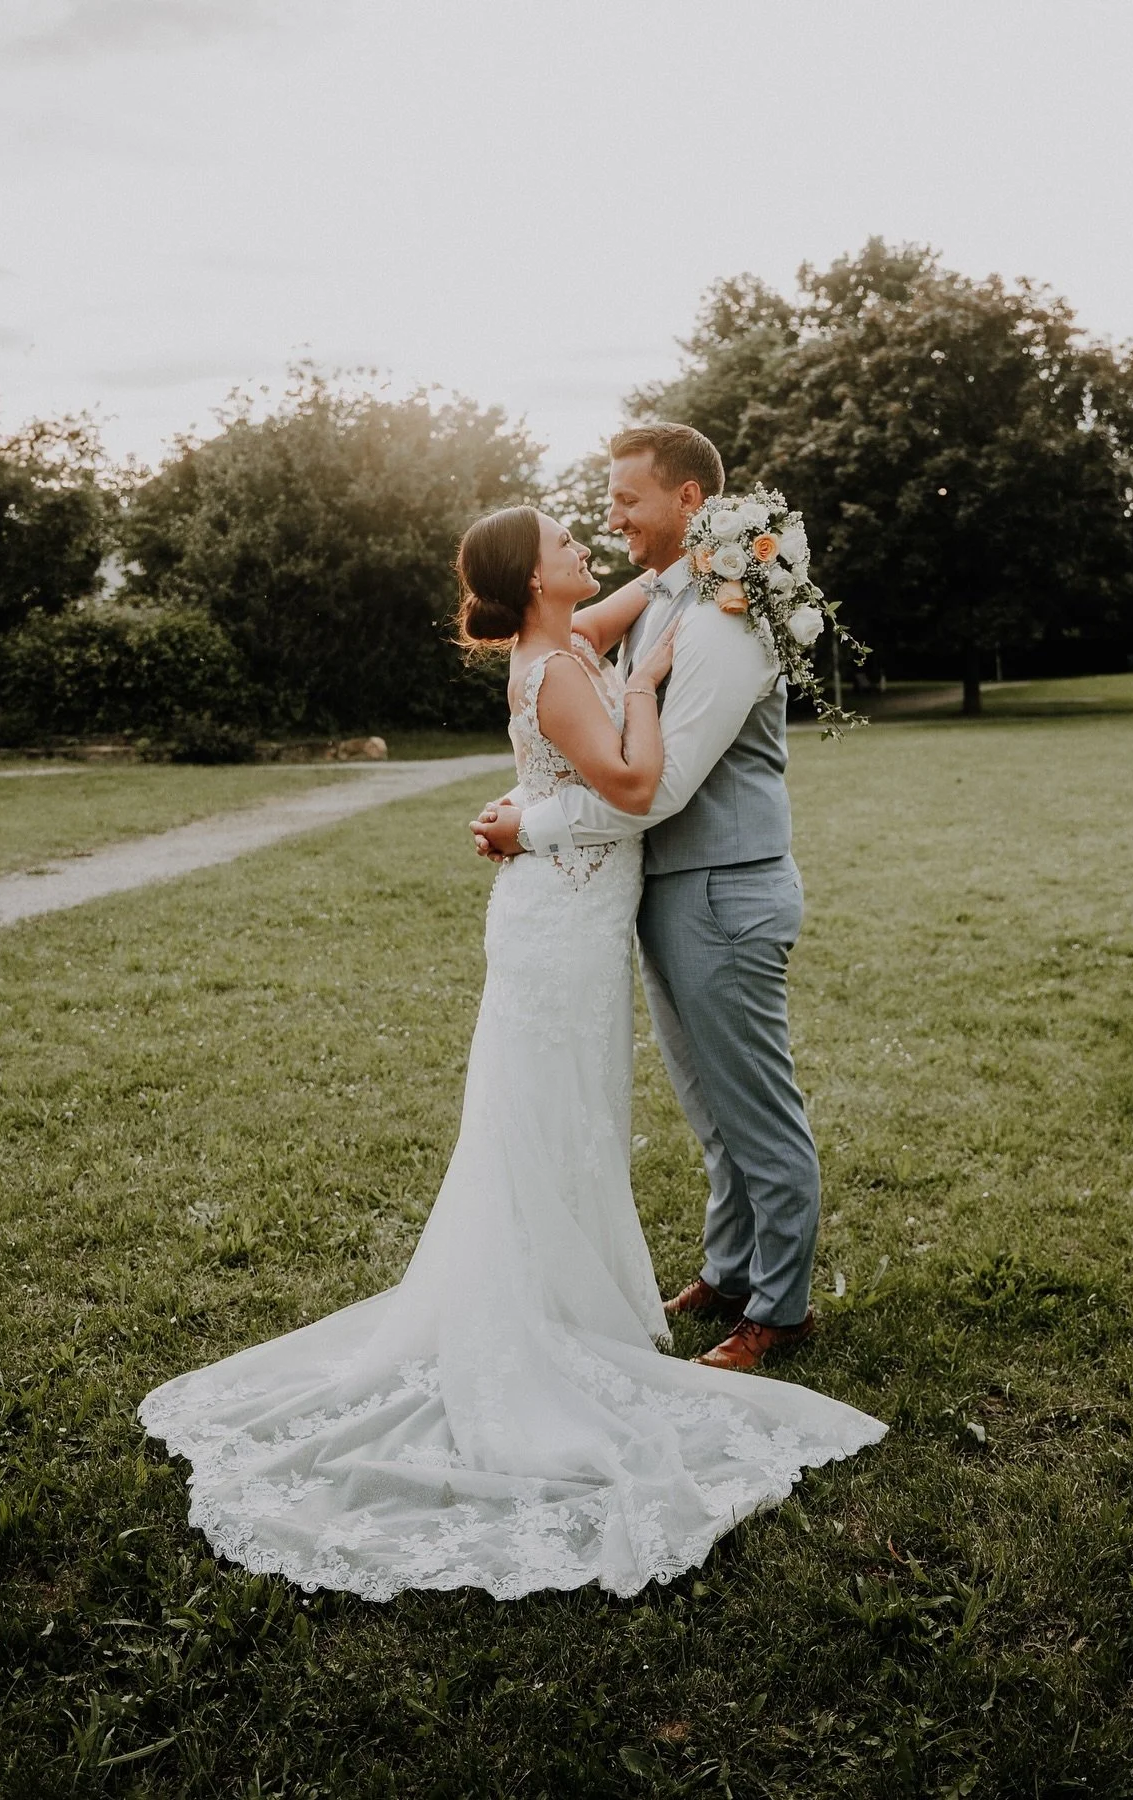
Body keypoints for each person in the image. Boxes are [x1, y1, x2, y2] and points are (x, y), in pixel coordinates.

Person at [138, 501, 883, 1604]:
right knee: (551, 1114)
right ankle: (544, 1327)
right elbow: (630, 790)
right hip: (564, 917)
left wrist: (721, 555)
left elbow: (651, 589)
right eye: (563, 545)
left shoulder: (568, 637)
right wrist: (637, 696)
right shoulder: (571, 666)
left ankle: (574, 1300)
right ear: (534, 581)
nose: (586, 545)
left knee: (564, 1114)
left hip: (566, 912)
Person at [474, 423, 823, 1374]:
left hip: (723, 888)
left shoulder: (725, 618)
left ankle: (779, 1309)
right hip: (667, 890)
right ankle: (728, 1269)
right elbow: (559, 659)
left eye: (627, 498)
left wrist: (531, 825)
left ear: (687, 502)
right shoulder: (670, 595)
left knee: (756, 1110)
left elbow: (653, 791)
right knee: (710, 1110)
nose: (610, 515)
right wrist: (531, 788)